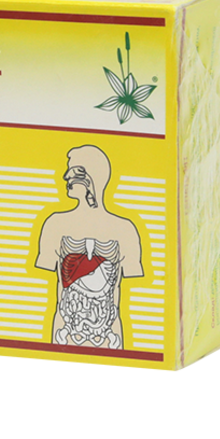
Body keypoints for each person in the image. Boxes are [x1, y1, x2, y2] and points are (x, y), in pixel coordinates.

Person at [36, 145, 143, 349]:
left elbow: (133, 287)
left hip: (111, 338)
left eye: (73, 172)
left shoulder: (125, 230)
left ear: (91, 178)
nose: (65, 177)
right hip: (63, 336)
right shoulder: (54, 224)